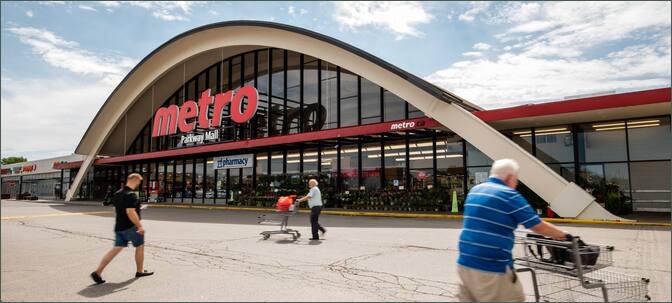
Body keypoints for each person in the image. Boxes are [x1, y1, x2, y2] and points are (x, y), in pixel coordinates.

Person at [457, 159, 569, 302]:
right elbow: (537, 226)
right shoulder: (508, 194)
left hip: (465, 263)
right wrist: (562, 234)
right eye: (516, 180)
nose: (515, 184)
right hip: (491, 268)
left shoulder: (475, 190)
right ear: (510, 177)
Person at [90, 173, 153, 284]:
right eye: (139, 181)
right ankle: (140, 271)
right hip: (131, 227)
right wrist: (139, 226)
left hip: (119, 227)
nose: (139, 183)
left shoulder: (118, 193)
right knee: (140, 246)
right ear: (134, 180)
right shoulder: (131, 194)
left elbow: (118, 210)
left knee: (115, 249)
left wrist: (138, 208)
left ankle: (97, 272)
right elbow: (130, 211)